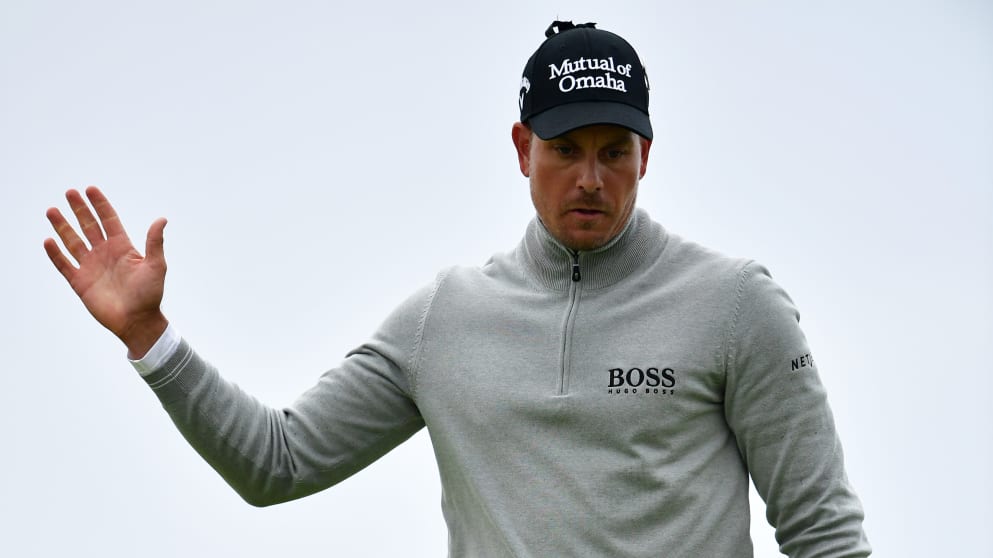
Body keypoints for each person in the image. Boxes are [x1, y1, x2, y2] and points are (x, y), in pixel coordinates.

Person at [44, 20, 870, 557]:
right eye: (564, 148)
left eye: (614, 151)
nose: (590, 178)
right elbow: (278, 463)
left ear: (645, 155)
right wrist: (150, 337)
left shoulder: (733, 304)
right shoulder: (447, 318)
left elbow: (824, 534)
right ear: (521, 148)